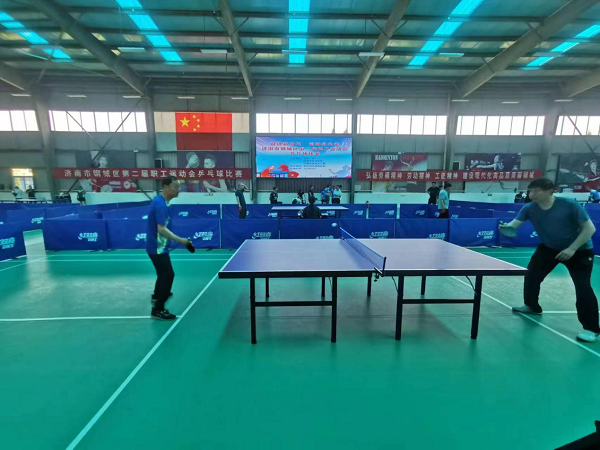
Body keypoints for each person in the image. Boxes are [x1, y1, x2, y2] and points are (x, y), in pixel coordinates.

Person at [501, 178, 599, 343]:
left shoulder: (569, 205)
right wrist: (506, 228)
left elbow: (589, 228)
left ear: (549, 191)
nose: (531, 194)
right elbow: (513, 226)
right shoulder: (529, 208)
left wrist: (572, 249)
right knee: (532, 275)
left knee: (583, 287)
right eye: (530, 191)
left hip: (579, 250)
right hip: (549, 248)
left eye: (535, 190)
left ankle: (591, 329)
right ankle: (532, 306)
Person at [147, 177, 192, 321]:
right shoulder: (160, 205)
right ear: (165, 187)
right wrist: (181, 241)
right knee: (168, 275)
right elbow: (161, 229)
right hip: (158, 247)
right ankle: (158, 309)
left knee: (162, 274)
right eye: (175, 187)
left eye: (179, 187)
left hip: (157, 246)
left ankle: (157, 295)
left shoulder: (162, 202)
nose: (178, 190)